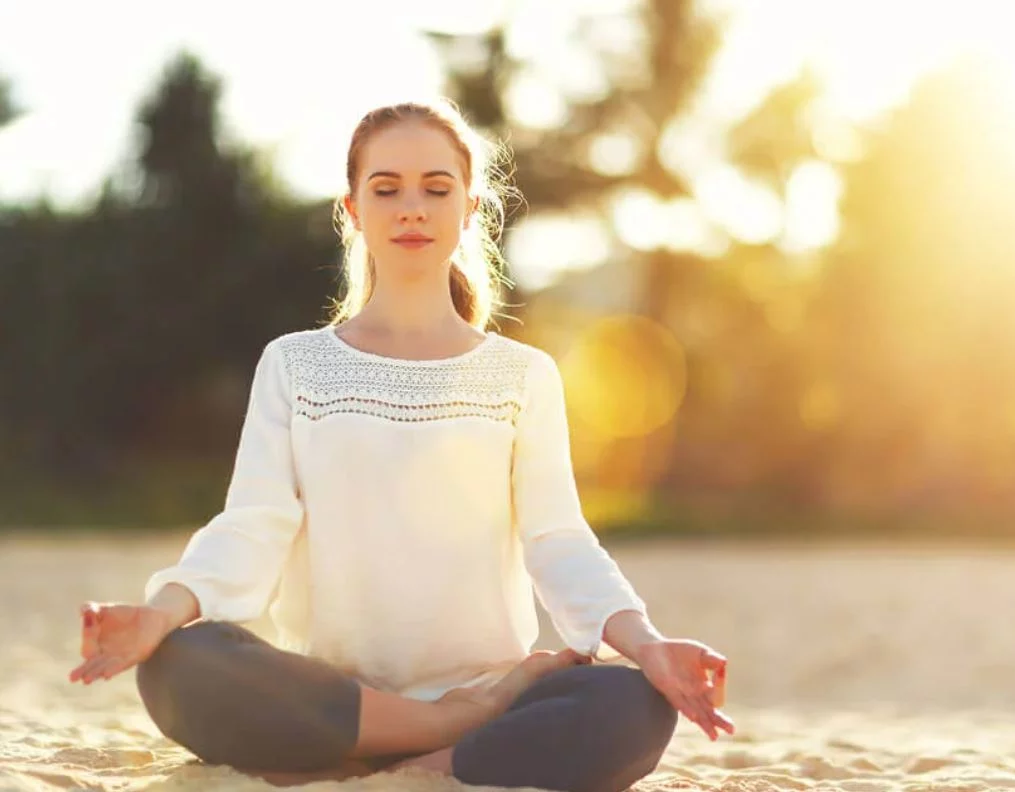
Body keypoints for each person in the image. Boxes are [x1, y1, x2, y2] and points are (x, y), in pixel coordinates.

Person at [69, 98, 734, 792]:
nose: (411, 208)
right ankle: (446, 732)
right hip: (333, 696)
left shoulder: (522, 376)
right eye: (386, 189)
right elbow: (253, 524)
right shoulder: (294, 365)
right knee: (181, 663)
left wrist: (651, 648)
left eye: (435, 189)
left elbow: (558, 539)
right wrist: (160, 614)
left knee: (635, 705)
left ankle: (404, 755)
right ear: (353, 209)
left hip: (483, 687)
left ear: (470, 208)